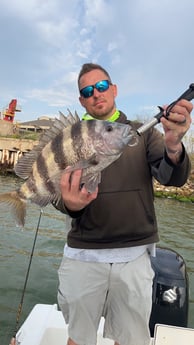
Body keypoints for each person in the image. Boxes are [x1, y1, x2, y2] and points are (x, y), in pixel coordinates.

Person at [54, 63, 193, 345]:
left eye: (102, 86)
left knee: (130, 338)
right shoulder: (69, 138)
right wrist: (70, 204)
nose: (96, 93)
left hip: (134, 257)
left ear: (114, 89)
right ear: (81, 100)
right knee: (77, 338)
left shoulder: (142, 135)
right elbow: (57, 195)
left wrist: (174, 146)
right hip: (83, 254)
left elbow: (171, 177)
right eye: (88, 90)